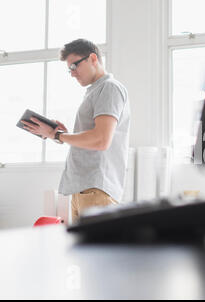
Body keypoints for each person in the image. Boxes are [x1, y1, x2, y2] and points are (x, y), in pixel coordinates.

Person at [21, 39, 130, 222]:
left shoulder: (109, 88)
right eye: (69, 69)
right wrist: (61, 135)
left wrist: (57, 135)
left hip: (96, 190)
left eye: (74, 66)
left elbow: (101, 140)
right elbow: (92, 139)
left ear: (93, 58)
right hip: (84, 190)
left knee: (97, 250)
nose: (72, 74)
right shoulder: (95, 91)